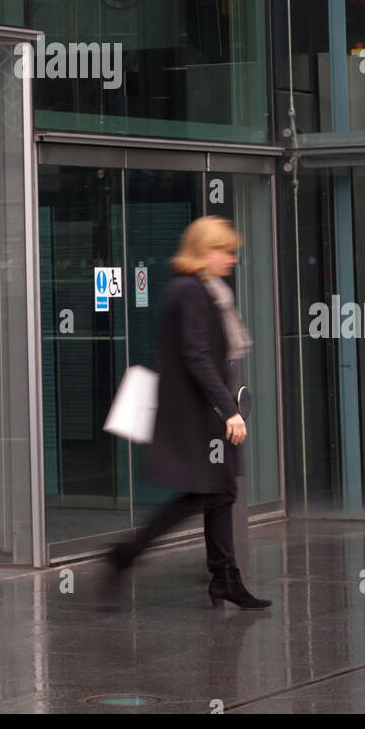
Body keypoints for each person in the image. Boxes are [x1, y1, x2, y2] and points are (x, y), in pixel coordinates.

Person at [106, 216, 271, 610]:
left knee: (219, 492)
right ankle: (126, 554)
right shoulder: (189, 292)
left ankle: (224, 578)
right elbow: (197, 356)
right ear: (203, 251)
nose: (231, 259)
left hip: (207, 410)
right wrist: (229, 410)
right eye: (224, 251)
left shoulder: (207, 290)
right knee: (205, 492)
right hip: (198, 414)